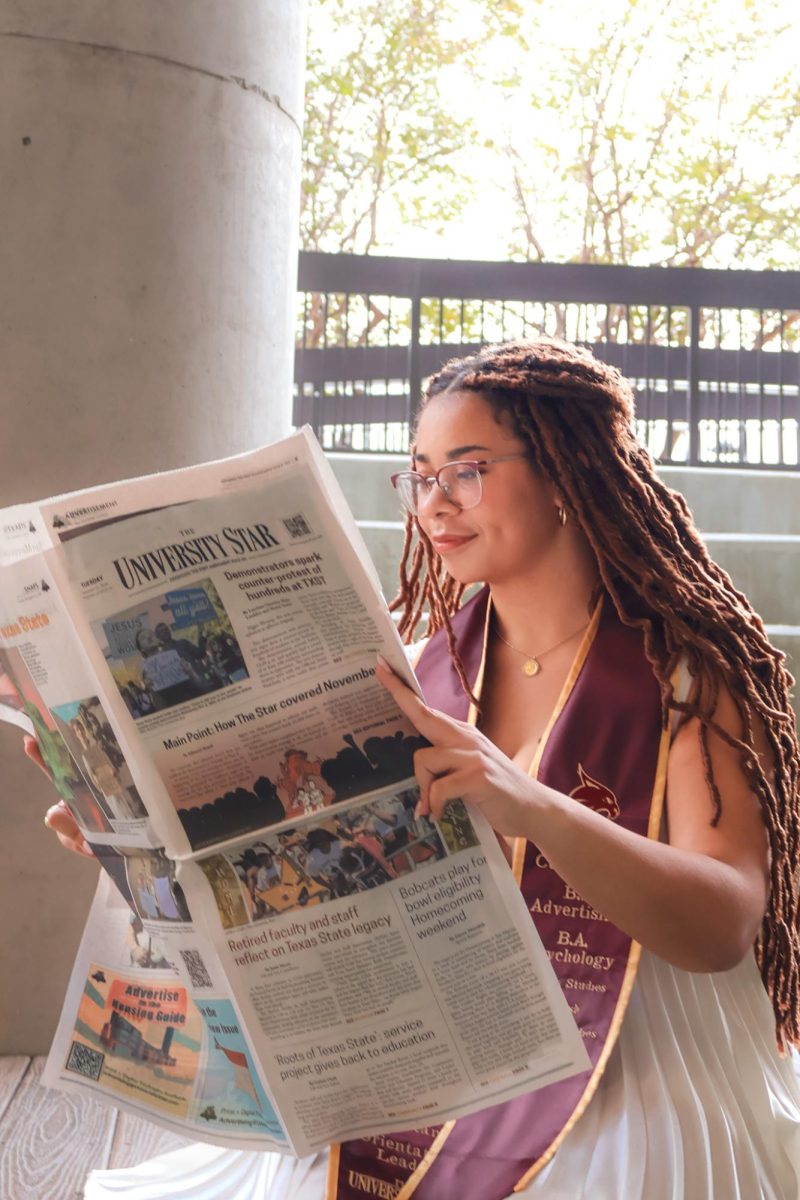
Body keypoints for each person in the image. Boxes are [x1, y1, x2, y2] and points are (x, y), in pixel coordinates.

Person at [38, 336, 800, 1198]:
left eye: (466, 470)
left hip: (637, 1046)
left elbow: (726, 925)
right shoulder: (412, 675)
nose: (433, 505)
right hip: (437, 1042)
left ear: (563, 474)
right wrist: (135, 834)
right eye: (420, 475)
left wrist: (536, 808)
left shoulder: (692, 680)